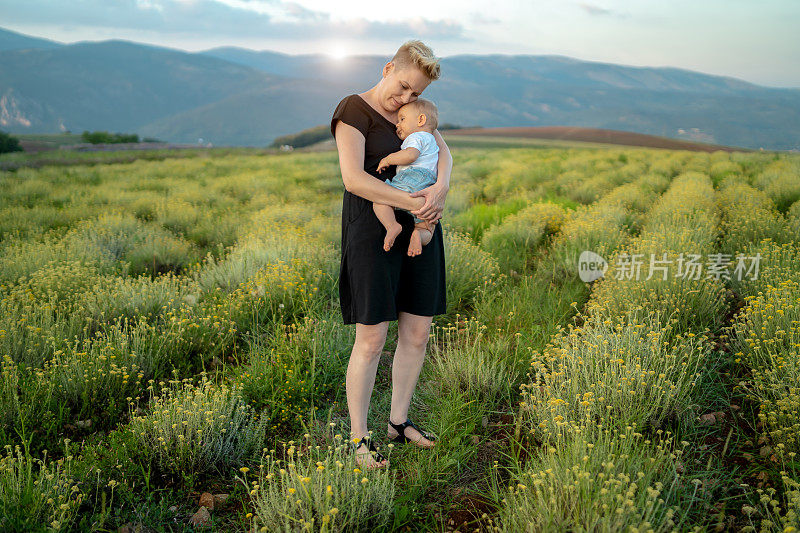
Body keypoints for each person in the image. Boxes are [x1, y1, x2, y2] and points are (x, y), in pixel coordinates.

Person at [330, 40, 451, 470]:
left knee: (417, 333)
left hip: (420, 229)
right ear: (387, 69)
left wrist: (440, 187)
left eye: (414, 94)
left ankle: (398, 422)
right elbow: (354, 180)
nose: (405, 99)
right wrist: (416, 204)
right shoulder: (353, 110)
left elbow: (445, 153)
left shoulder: (415, 115)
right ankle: (359, 437)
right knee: (372, 339)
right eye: (401, 87)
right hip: (373, 231)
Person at [374, 98, 440, 257]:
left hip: (412, 178)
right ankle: (418, 235)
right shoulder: (432, 141)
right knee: (426, 229)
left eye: (402, 119)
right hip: (427, 188)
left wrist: (388, 159)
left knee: (379, 200)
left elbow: (410, 155)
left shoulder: (417, 136)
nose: (398, 124)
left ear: (421, 120)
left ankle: (392, 226)